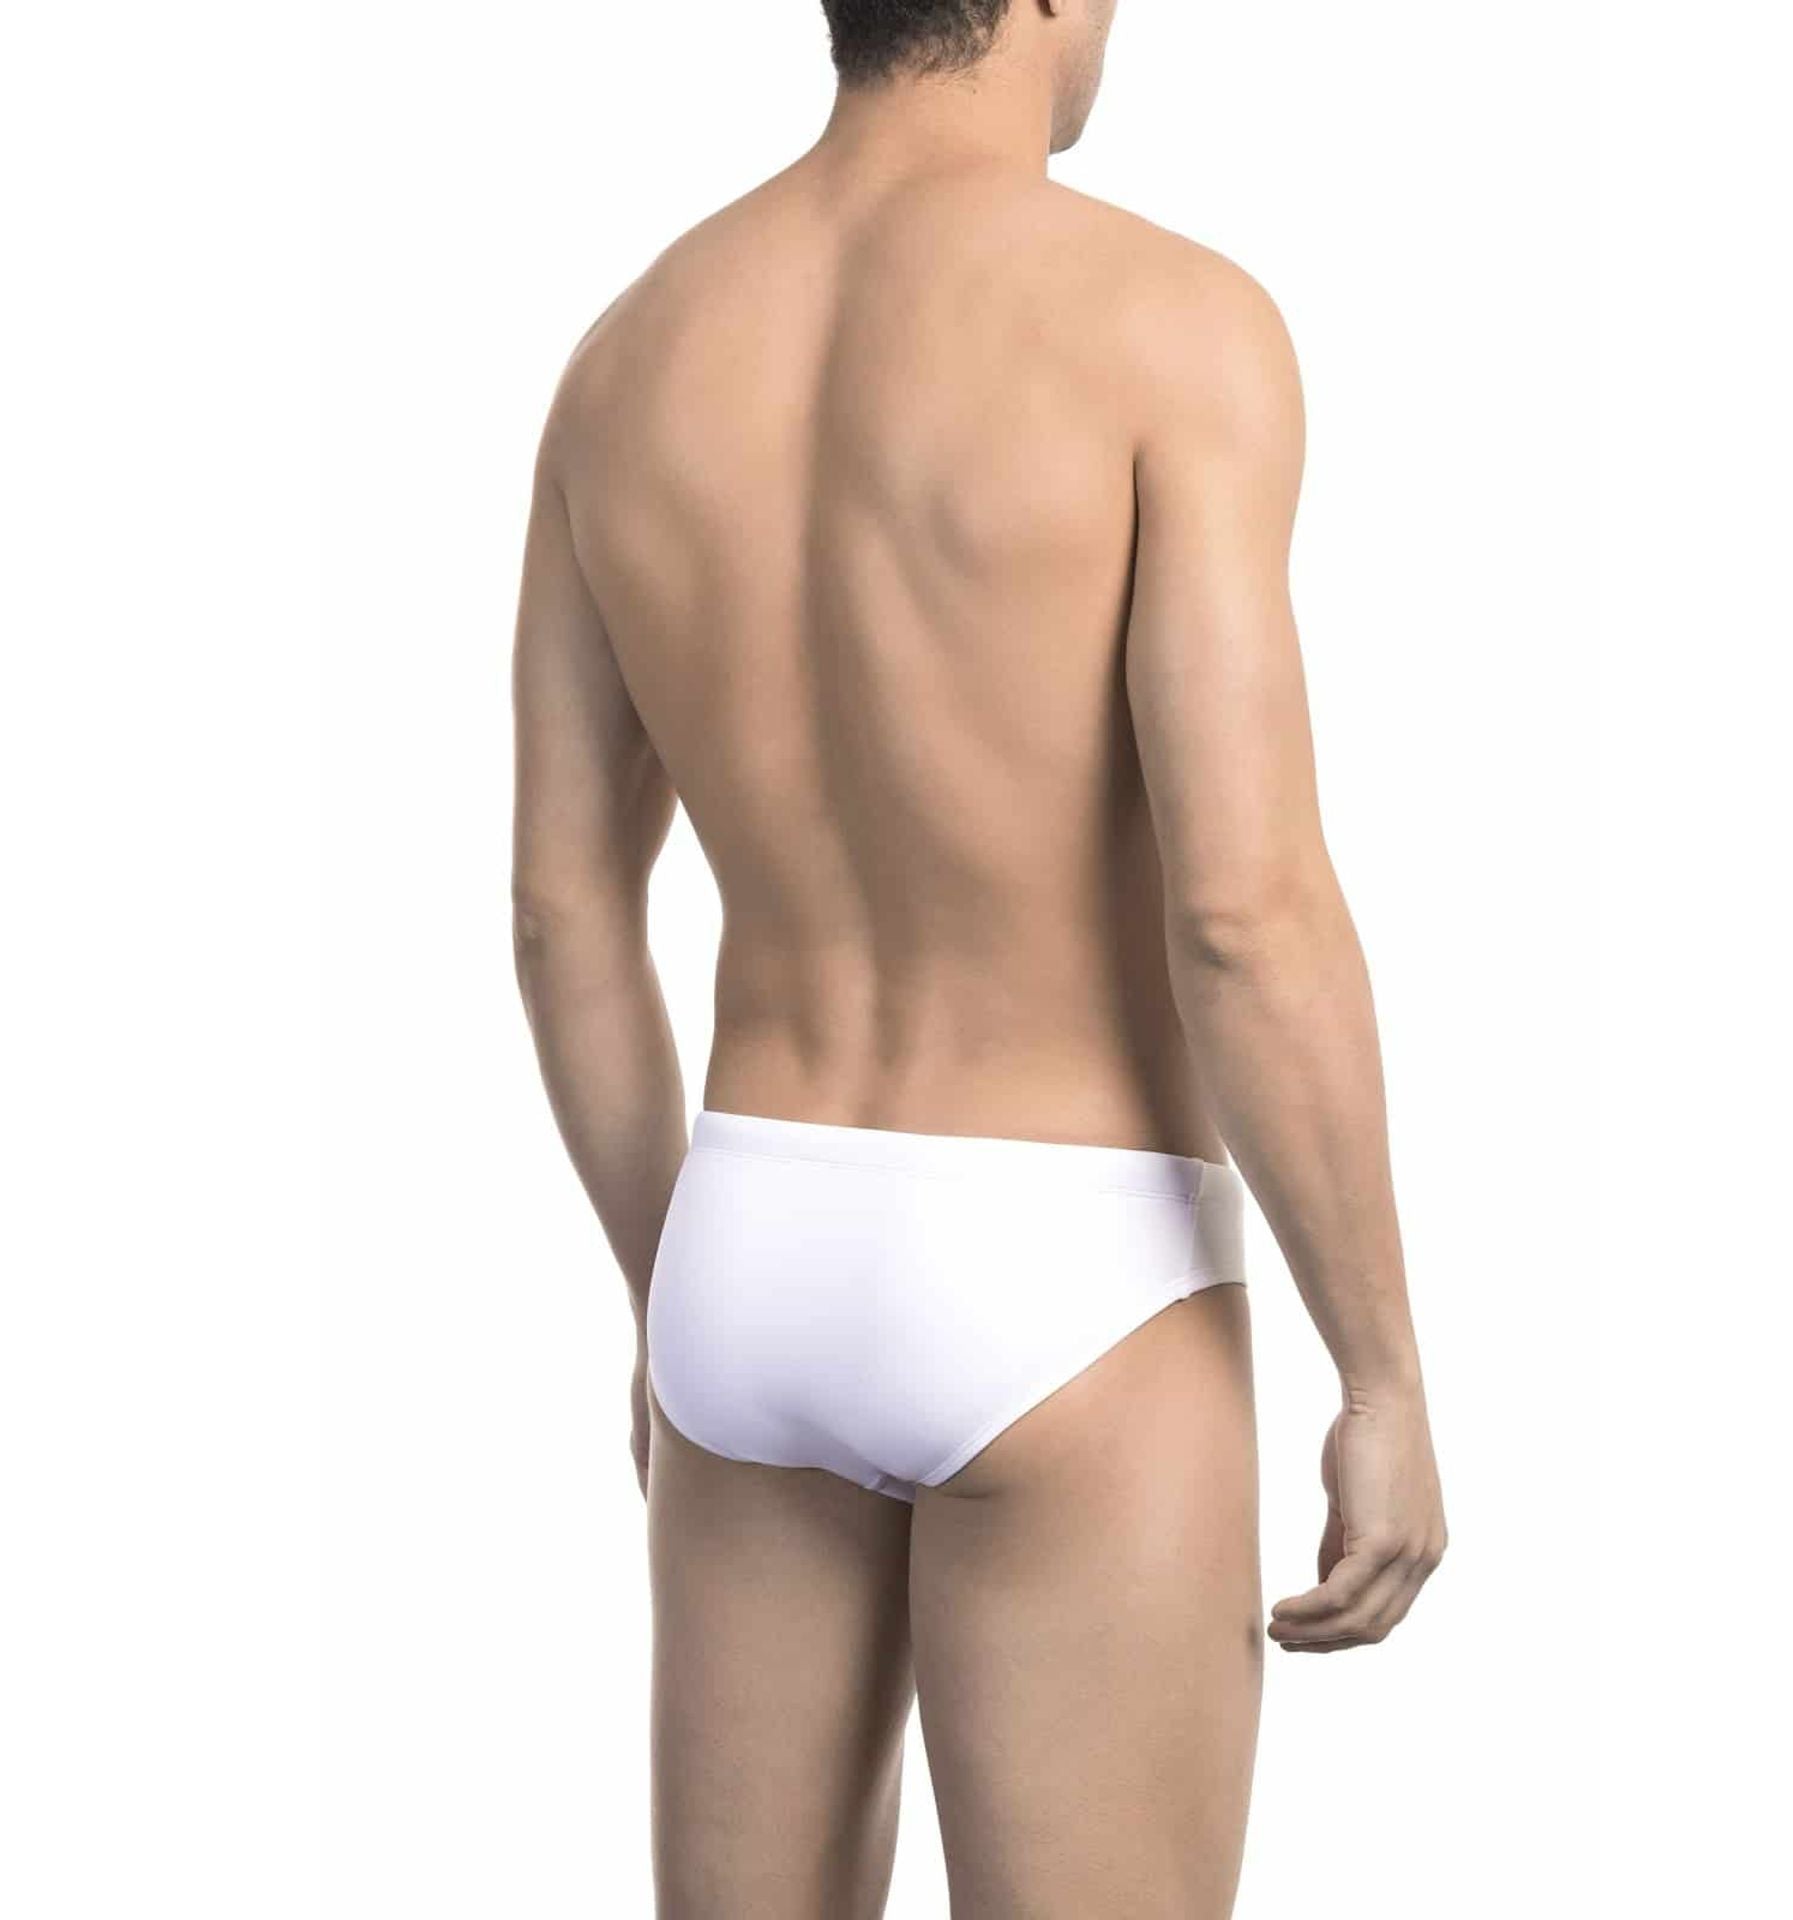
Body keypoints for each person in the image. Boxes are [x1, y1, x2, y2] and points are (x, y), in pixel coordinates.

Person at [510, 1, 1445, 1911]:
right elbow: (1242, 913)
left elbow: (561, 907)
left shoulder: (631, 353)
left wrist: (664, 1291)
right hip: (1070, 1271)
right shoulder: (1169, 325)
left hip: (749, 1245)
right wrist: (1380, 1374)